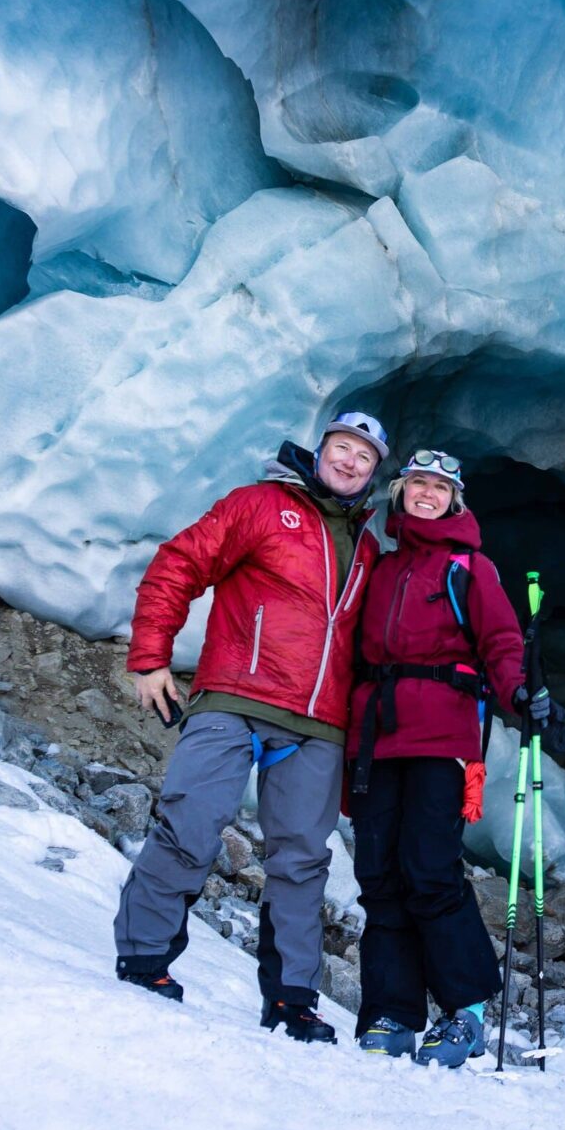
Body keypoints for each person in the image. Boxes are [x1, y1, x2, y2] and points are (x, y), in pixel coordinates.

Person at [113, 411, 388, 1045]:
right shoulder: (262, 506)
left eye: (364, 457)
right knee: (190, 824)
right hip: (236, 696)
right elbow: (180, 563)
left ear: (374, 473)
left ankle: (293, 999)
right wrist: (151, 656)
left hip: (318, 724)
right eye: (342, 448)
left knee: (301, 862)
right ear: (320, 452)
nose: (349, 462)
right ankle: (145, 960)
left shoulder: (370, 549)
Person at [345, 448, 565, 1067]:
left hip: (439, 736)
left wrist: (519, 693)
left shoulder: (470, 568)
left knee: (428, 868)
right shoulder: (383, 567)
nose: (426, 494)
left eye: (438, 488)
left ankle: (466, 1011)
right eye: (416, 483)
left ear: (455, 501)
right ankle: (390, 1014)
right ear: (399, 494)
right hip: (374, 738)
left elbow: (501, 642)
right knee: (379, 878)